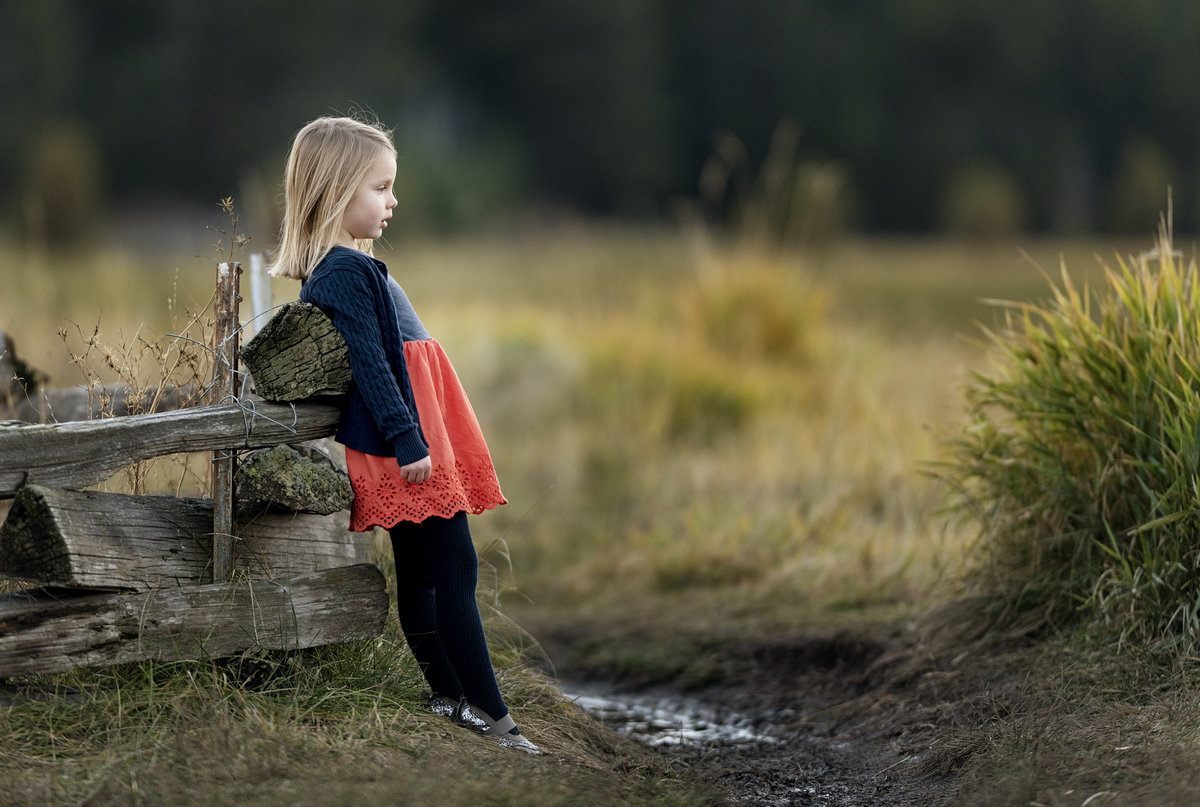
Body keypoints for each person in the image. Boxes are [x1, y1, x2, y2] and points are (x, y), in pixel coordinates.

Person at [268, 115, 540, 754]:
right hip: (407, 437)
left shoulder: (339, 268)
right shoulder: (346, 272)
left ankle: (450, 699)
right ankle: (498, 721)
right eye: (381, 188)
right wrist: (409, 439)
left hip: (406, 429)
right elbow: (371, 360)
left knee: (421, 571)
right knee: (454, 568)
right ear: (337, 192)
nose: (393, 201)